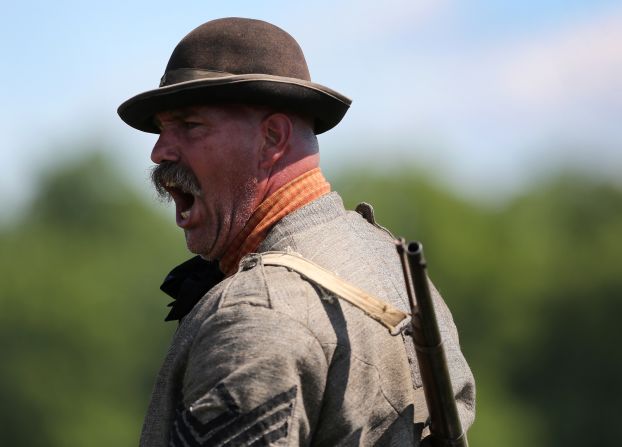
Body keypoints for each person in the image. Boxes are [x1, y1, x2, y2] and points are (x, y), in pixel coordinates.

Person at [118, 17, 475, 446]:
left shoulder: (255, 314)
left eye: (190, 125)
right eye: (161, 129)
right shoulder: (388, 264)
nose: (159, 152)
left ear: (272, 137)